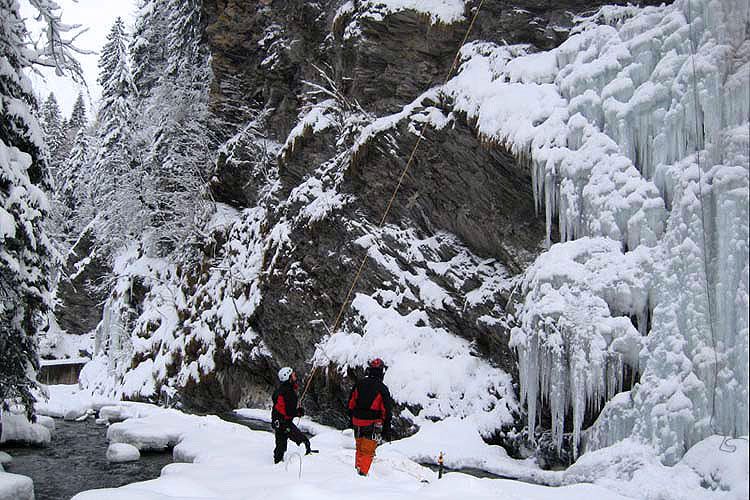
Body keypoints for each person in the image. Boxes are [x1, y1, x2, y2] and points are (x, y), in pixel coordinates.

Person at [347, 358, 393, 476]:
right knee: (368, 451)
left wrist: (350, 419)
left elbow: (351, 403)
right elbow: (386, 411)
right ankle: (362, 475)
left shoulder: (359, 384)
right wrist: (387, 428)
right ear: (382, 371)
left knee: (359, 448)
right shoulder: (382, 388)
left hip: (357, 420)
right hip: (371, 423)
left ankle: (357, 470)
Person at [271, 366, 316, 463]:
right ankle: (306, 458)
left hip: (279, 422)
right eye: (293, 375)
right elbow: (289, 412)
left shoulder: (281, 390)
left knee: (281, 445)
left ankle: (278, 462)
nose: (295, 376)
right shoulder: (288, 392)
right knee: (303, 441)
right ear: (288, 377)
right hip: (284, 423)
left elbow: (280, 408)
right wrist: (299, 412)